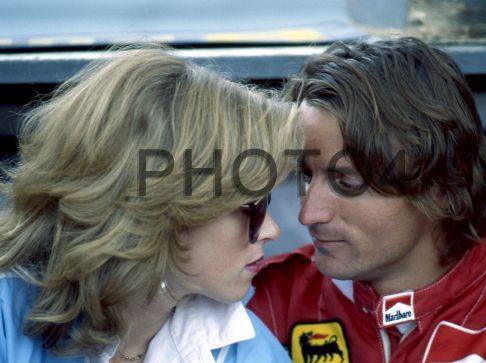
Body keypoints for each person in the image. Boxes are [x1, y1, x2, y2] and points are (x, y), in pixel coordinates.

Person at [248, 37, 486, 362]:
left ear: (442, 186)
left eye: (347, 182)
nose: (308, 214)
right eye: (307, 176)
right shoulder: (268, 296)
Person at [0, 46, 301, 362]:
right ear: (163, 207)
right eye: (253, 204)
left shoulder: (244, 346)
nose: (272, 230)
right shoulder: (8, 317)